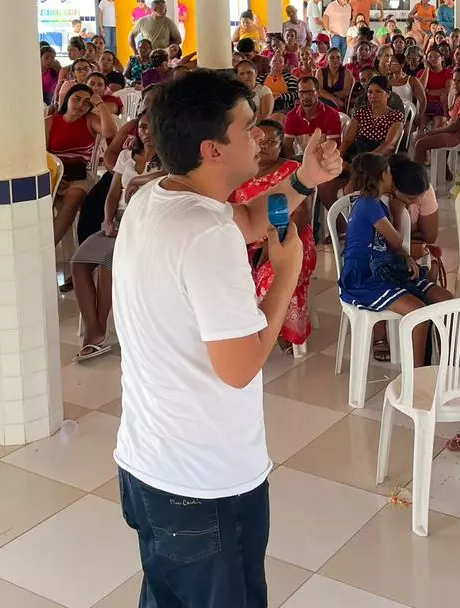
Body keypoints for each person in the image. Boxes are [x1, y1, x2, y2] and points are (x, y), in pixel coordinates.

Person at [112, 69, 340, 606]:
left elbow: (250, 219)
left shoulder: (156, 198)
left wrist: (303, 179)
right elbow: (239, 368)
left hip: (149, 464)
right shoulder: (207, 236)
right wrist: (285, 275)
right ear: (212, 149)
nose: (260, 135)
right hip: (204, 483)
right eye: (246, 127)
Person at [338, 152, 452, 365]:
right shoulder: (369, 205)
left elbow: (392, 246)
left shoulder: (376, 205)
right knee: (418, 312)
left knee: (447, 300)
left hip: (384, 269)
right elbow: (397, 240)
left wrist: (405, 256)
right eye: (389, 172)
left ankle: (450, 363)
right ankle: (418, 374)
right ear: (382, 176)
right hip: (364, 277)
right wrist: (398, 212)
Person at [229, 121, 315, 353]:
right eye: (260, 141)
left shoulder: (292, 170)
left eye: (271, 142)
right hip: (246, 241)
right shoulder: (241, 171)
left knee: (272, 274)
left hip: (290, 237)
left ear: (281, 144)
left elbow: (302, 213)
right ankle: (241, 329)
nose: (264, 146)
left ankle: (276, 330)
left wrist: (274, 244)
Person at [46, 85, 117, 244]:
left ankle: (48, 248)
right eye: (76, 99)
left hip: (80, 175)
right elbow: (40, 154)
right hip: (53, 175)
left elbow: (110, 132)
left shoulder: (90, 119)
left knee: (74, 197)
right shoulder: (50, 121)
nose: (80, 105)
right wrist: (54, 177)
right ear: (67, 99)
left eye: (86, 102)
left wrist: (100, 104)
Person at [412, 66, 460, 165]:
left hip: (458, 136)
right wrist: (445, 105)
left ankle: (417, 173)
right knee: (420, 137)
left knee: (420, 143)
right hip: (452, 131)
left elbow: (455, 127)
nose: (455, 84)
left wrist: (434, 131)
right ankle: (443, 172)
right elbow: (450, 119)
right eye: (454, 80)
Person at [284, 77, 344, 156]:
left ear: (318, 93)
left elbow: (331, 148)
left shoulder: (332, 114)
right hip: (303, 158)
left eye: (310, 92)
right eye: (302, 92)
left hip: (325, 158)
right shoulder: (292, 116)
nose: (306, 96)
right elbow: (287, 147)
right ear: (298, 94)